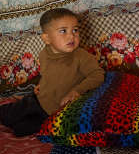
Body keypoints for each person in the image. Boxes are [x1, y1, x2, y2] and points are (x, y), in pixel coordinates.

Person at [0, 8, 105, 137]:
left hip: (54, 111)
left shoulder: (81, 56)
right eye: (63, 31)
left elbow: (98, 75)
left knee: (21, 130)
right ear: (47, 38)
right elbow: (47, 74)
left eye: (75, 30)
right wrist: (40, 85)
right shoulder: (44, 53)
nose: (71, 36)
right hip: (37, 100)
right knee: (7, 113)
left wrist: (77, 91)